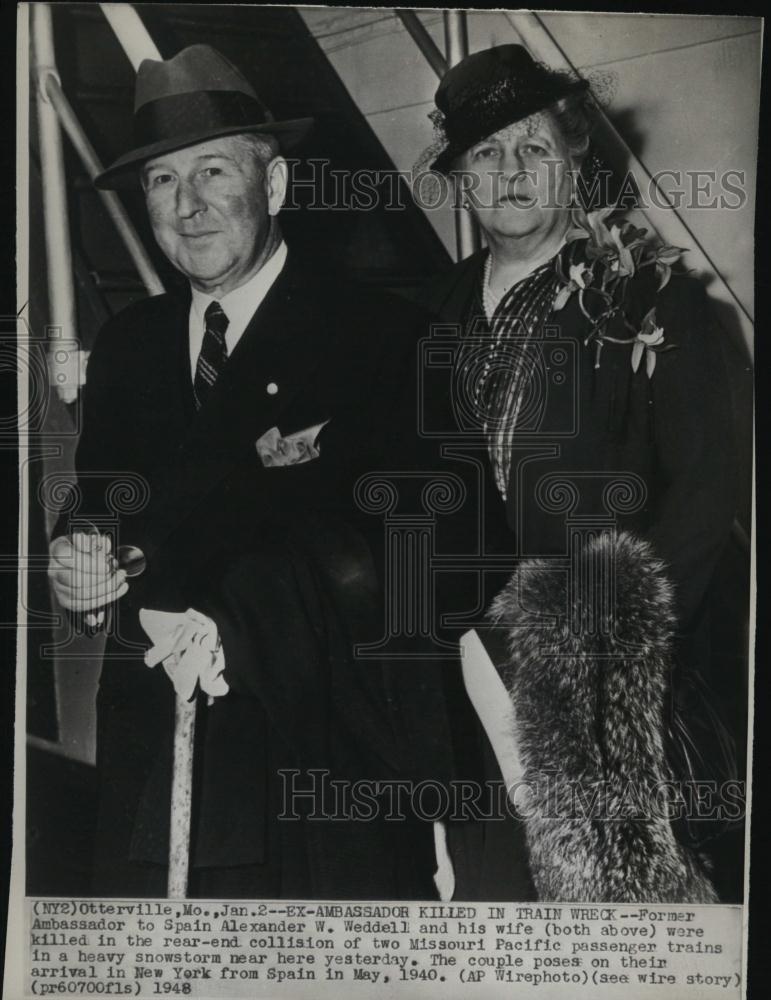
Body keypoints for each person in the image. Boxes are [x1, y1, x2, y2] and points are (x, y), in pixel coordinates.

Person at [46, 44, 440, 899]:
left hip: (314, 760)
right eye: (159, 182)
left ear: (274, 187)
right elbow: (106, 498)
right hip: (159, 748)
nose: (185, 208)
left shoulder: (379, 335)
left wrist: (249, 610)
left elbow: (419, 557)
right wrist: (78, 551)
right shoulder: (130, 344)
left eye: (211, 172)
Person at [419, 45, 741, 901]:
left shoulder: (651, 301)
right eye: (485, 153)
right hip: (462, 690)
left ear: (575, 156)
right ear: (458, 177)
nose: (512, 171)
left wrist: (605, 642)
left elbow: (710, 492)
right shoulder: (427, 316)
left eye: (533, 146)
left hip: (607, 701)